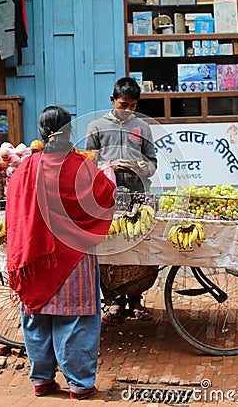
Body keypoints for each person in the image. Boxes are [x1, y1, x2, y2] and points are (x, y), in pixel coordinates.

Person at [6, 106, 116, 399]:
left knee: (37, 318)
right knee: (75, 319)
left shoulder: (25, 168)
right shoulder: (80, 166)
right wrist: (110, 172)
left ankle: (41, 380)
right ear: (69, 132)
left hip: (34, 258)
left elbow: (15, 215)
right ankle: (79, 384)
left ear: (41, 133)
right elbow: (105, 194)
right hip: (72, 258)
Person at [85, 77, 159, 326]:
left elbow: (152, 162)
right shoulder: (96, 126)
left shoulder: (143, 127)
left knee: (136, 247)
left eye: (133, 106)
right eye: (123, 105)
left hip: (137, 194)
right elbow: (88, 162)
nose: (128, 110)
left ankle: (136, 298)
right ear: (112, 100)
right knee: (112, 247)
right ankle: (115, 301)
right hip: (107, 196)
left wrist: (143, 168)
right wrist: (109, 165)